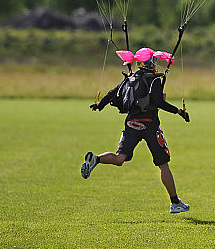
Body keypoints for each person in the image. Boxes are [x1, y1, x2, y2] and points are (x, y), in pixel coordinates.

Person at [81, 47, 191, 214]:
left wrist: (99, 105)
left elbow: (112, 93)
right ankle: (175, 203)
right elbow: (159, 103)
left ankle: (96, 159)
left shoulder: (131, 78)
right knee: (163, 164)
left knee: (120, 158)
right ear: (150, 62)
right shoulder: (154, 80)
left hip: (131, 123)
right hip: (150, 125)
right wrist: (180, 112)